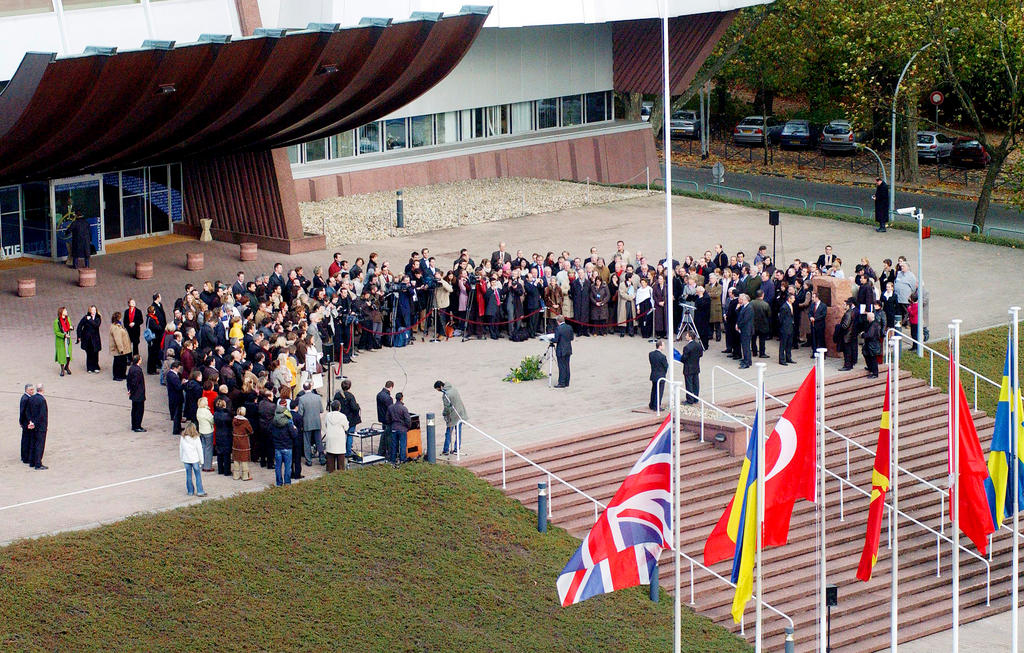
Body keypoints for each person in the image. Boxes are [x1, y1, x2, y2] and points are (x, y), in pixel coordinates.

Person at [434, 380, 466, 455]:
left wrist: (444, 414)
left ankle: (446, 450)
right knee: (458, 432)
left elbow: (447, 408)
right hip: (460, 414)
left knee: (448, 433)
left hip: (453, 416)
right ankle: (456, 449)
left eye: (438, 390)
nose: (439, 391)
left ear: (441, 387)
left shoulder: (446, 395)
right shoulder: (454, 389)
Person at [297, 381, 325, 466]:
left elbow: (300, 413)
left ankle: (309, 460)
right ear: (310, 387)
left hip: (307, 423)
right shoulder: (317, 397)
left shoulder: (302, 399)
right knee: (318, 441)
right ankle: (322, 458)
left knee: (307, 442)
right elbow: (321, 410)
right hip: (316, 422)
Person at [270, 401, 298, 486]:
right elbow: (294, 435)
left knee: (278, 467)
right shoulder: (288, 422)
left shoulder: (273, 422)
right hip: (287, 446)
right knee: (287, 466)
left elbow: (270, 431)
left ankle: (279, 483)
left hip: (277, 447)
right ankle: (287, 482)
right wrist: (295, 429)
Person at [334, 379, 361, 459]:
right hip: (350, 419)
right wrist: (358, 406)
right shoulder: (350, 396)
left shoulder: (337, 395)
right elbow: (354, 408)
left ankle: (340, 450)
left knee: (341, 435)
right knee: (350, 435)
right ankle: (348, 452)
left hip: (339, 418)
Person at [179, 420, 207, 497]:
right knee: (198, 475)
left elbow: (181, 448)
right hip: (194, 459)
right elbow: (199, 450)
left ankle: (190, 491)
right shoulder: (196, 438)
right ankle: (200, 491)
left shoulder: (183, 437)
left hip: (186, 459)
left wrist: (181, 458)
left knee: (188, 476)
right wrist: (202, 461)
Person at [26, 383, 48, 470]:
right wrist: (35, 423)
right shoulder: (42, 400)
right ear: (42, 389)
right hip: (40, 426)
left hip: (33, 426)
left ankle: (32, 461)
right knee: (40, 445)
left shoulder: (32, 398)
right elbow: (42, 415)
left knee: (33, 443)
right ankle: (38, 463)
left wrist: (31, 421)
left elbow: (27, 411)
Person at [323, 400, 349, 472]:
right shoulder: (343, 416)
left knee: (330, 456)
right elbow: (346, 428)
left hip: (330, 437)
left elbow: (326, 425)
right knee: (340, 458)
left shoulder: (328, 415)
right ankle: (340, 473)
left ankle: (330, 471)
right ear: (339, 407)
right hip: (339, 438)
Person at [76, 305, 102, 373]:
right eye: (92, 310)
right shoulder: (85, 317)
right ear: (89, 311)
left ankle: (96, 366)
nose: (93, 312)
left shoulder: (98, 318)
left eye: (94, 310)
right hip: (87, 339)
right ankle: (89, 367)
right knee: (89, 353)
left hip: (95, 339)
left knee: (95, 353)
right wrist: (79, 336)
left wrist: (89, 320)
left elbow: (96, 325)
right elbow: (79, 326)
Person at [231, 406, 253, 481]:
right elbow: (250, 430)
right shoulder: (245, 421)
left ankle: (236, 475)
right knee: (244, 458)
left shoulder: (234, 420)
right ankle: (245, 475)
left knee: (236, 457)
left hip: (235, 440)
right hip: (243, 440)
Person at [109, 311, 132, 381]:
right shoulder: (116, 327)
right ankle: (117, 375)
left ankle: (122, 374)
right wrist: (121, 349)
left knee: (122, 362)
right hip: (118, 349)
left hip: (121, 348)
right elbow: (118, 339)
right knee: (118, 362)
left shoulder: (118, 325)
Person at [552, 315, 574, 388]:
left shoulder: (558, 328)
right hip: (568, 349)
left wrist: (550, 339)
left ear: (558, 321)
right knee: (567, 366)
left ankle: (561, 383)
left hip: (561, 349)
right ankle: (567, 382)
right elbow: (572, 338)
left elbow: (556, 340)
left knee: (561, 367)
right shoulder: (569, 327)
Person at [680, 331, 702, 404]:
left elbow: (684, 358)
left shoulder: (687, 347)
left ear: (690, 337)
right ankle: (696, 398)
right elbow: (700, 354)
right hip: (696, 366)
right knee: (696, 383)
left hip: (688, 368)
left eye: (686, 335)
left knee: (689, 384)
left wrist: (681, 358)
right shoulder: (698, 345)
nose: (685, 336)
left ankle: (690, 399)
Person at [126, 354, 146, 432]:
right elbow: (135, 383)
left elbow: (128, 380)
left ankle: (134, 425)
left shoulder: (131, 368)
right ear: (138, 360)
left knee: (134, 410)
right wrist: (132, 390)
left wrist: (129, 390)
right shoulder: (137, 370)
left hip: (134, 394)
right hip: (138, 394)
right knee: (139, 410)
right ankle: (137, 426)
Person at [838, 298, 858, 371]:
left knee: (847, 351)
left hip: (847, 335)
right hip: (849, 335)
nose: (843, 306)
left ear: (848, 305)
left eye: (844, 305)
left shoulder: (848, 313)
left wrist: (839, 326)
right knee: (848, 350)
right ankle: (849, 364)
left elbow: (845, 325)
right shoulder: (849, 312)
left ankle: (847, 365)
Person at [213, 398, 232, 475]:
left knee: (219, 452)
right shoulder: (227, 415)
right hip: (226, 434)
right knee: (226, 454)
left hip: (218, 433)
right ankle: (227, 471)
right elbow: (230, 425)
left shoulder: (215, 414)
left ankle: (220, 470)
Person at [376, 380, 394, 459]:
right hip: (388, 420)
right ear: (391, 387)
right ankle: (389, 453)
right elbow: (391, 410)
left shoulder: (379, 394)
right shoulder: (388, 398)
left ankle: (381, 451)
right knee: (388, 437)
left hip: (381, 418)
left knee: (383, 435)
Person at [648, 340, 668, 411]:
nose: (664, 347)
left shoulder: (651, 354)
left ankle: (652, 404)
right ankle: (656, 406)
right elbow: (666, 366)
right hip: (660, 375)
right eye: (663, 345)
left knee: (654, 390)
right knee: (659, 391)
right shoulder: (662, 356)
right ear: (660, 346)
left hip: (654, 374)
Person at [196, 397, 215, 472]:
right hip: (208, 431)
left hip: (202, 431)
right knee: (209, 449)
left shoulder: (199, 410)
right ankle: (207, 466)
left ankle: (203, 463)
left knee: (203, 448)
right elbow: (212, 420)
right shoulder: (206, 411)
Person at [777, 293, 796, 365]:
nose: (794, 299)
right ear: (789, 299)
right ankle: (781, 359)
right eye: (793, 298)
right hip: (784, 328)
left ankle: (788, 358)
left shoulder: (791, 305)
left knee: (789, 344)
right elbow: (781, 319)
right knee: (783, 344)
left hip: (790, 328)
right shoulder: (784, 307)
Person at [862, 311, 882, 377]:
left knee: (873, 358)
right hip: (871, 344)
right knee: (867, 355)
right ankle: (870, 368)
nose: (867, 318)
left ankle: (875, 373)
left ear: (870, 318)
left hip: (872, 344)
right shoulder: (874, 323)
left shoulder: (874, 324)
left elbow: (870, 335)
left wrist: (863, 335)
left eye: (867, 317)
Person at [54, 306, 73, 377]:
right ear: (61, 312)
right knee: (62, 355)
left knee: (68, 354)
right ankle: (62, 369)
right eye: (65, 311)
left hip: (67, 340)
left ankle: (67, 366)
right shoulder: (57, 321)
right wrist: (64, 335)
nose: (66, 312)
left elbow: (70, 326)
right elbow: (56, 332)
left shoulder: (68, 319)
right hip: (61, 341)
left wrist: (71, 328)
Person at [166, 360, 184, 435]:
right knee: (177, 414)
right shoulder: (173, 376)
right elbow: (178, 387)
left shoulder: (172, 374)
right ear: (175, 368)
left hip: (174, 396)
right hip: (175, 397)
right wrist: (182, 383)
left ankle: (178, 427)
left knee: (178, 414)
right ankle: (176, 430)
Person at [19, 383, 35, 465]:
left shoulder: (27, 398)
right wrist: (21, 422)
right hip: (26, 423)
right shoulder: (26, 399)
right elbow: (23, 412)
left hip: (26, 422)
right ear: (26, 390)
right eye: (31, 390)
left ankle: (25, 456)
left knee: (26, 439)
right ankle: (25, 457)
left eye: (33, 389)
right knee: (26, 440)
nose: (32, 391)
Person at [736, 293, 753, 369]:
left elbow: (745, 319)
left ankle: (747, 362)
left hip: (747, 329)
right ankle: (746, 359)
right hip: (744, 329)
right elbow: (740, 316)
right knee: (744, 345)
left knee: (746, 346)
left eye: (742, 300)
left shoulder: (749, 308)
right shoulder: (744, 307)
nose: (741, 301)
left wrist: (739, 325)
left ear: (746, 300)